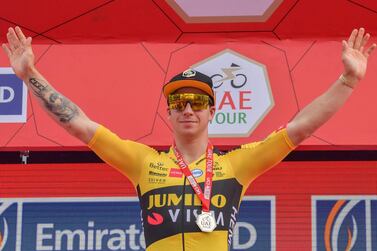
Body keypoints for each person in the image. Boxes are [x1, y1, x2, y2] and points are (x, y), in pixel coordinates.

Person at [2, 27, 375, 251]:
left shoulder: (236, 165)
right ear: (168, 112)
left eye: (197, 101)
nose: (188, 109)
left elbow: (301, 128)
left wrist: (348, 81)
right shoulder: (143, 162)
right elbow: (78, 124)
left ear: (212, 111)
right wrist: (30, 73)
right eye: (178, 102)